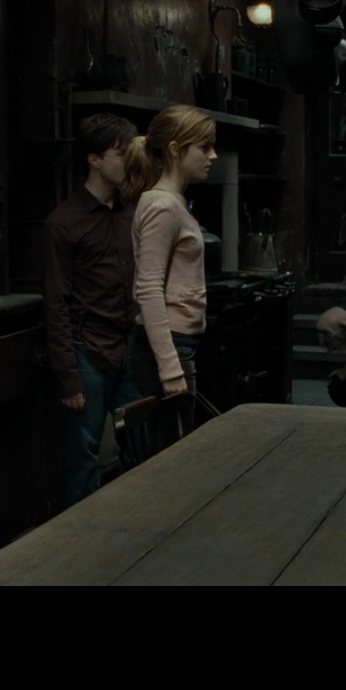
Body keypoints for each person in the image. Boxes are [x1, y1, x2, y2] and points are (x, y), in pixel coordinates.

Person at [41, 113, 143, 509]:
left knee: (142, 449)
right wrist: (69, 378)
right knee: (83, 457)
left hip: (131, 347)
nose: (129, 162)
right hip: (89, 352)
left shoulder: (132, 212)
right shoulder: (64, 223)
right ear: (94, 159)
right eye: (121, 154)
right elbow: (56, 303)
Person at [121, 104, 217, 459]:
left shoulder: (172, 203)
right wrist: (169, 366)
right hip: (166, 347)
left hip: (178, 344)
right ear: (175, 149)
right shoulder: (162, 206)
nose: (213, 155)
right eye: (204, 147)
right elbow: (148, 288)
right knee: (173, 462)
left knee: (177, 455)